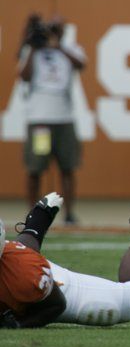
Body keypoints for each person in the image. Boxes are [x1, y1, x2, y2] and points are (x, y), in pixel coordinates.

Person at [0, 193, 130, 328]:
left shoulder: (25, 275)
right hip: (15, 265)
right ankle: (38, 220)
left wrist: (18, 324)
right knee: (19, 261)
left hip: (55, 290)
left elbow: (55, 305)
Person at [17, 15, 85, 225]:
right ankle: (32, 213)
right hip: (41, 121)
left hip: (64, 119)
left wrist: (59, 47)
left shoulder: (71, 49)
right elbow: (24, 75)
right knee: (36, 168)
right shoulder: (32, 51)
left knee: (67, 167)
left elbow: (80, 64)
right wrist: (34, 46)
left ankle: (69, 213)